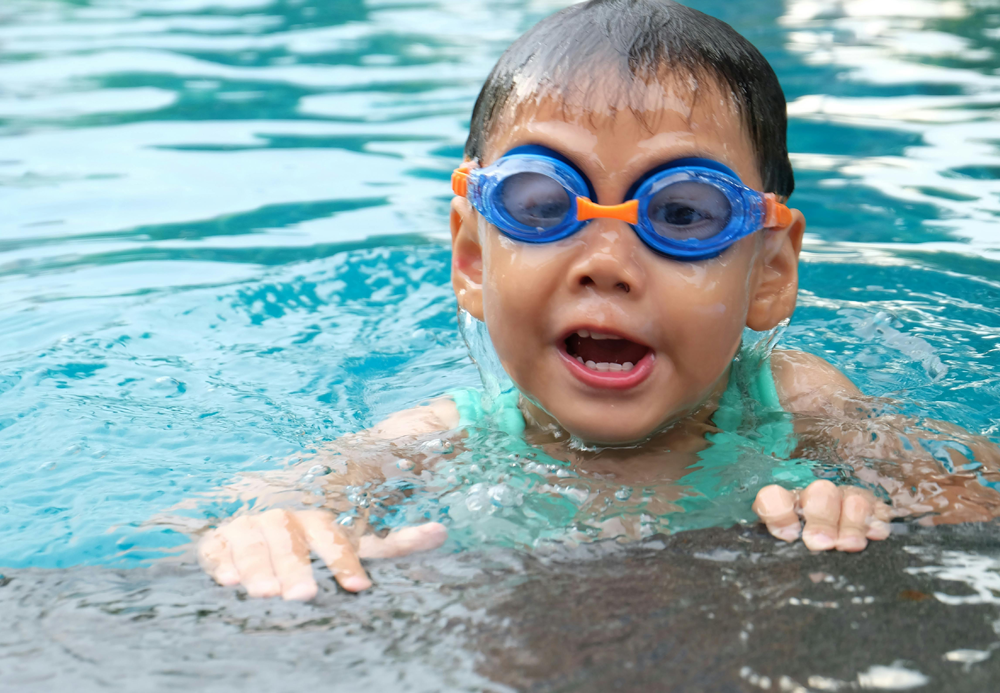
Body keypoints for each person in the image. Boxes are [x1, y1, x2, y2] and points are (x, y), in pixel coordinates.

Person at [197, 0, 1000, 601]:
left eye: (684, 212)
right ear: (474, 254)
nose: (607, 265)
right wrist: (268, 530)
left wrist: (872, 515)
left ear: (768, 273)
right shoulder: (445, 439)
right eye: (541, 203)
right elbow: (252, 508)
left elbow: (972, 502)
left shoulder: (796, 403)